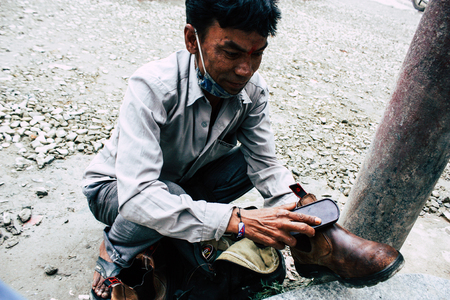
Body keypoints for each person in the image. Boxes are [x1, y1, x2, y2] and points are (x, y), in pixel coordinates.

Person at [82, 1, 403, 299]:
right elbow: (138, 195)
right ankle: (115, 249)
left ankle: (322, 241)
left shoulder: (252, 90)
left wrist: (305, 209)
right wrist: (239, 221)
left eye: (257, 54)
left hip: (187, 184)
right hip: (116, 191)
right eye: (231, 53)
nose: (245, 70)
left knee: (248, 165)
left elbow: (267, 165)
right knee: (162, 192)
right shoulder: (152, 86)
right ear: (192, 40)